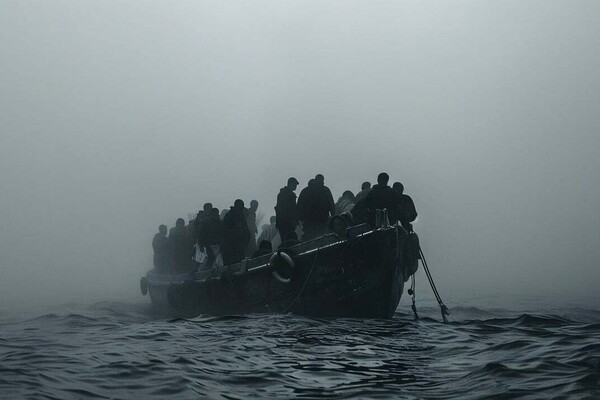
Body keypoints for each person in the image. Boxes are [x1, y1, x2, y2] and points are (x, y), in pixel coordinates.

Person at [297, 174, 335, 240]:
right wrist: (333, 214)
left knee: (310, 239)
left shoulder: (305, 191)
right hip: (322, 220)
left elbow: (299, 206)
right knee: (322, 238)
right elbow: (331, 203)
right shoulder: (325, 190)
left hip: (308, 222)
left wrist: (301, 218)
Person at [222, 199, 251, 265]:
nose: (241, 208)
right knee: (230, 264)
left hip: (239, 246)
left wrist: (245, 241)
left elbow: (246, 230)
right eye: (240, 206)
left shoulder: (241, 216)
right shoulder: (229, 215)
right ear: (236, 206)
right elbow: (225, 231)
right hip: (231, 246)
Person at [275, 177, 299, 242]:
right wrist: (294, 220)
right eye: (295, 184)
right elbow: (292, 209)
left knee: (284, 240)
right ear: (291, 184)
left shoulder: (281, 194)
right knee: (290, 240)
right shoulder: (291, 195)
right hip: (288, 222)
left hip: (281, 223)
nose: (296, 186)